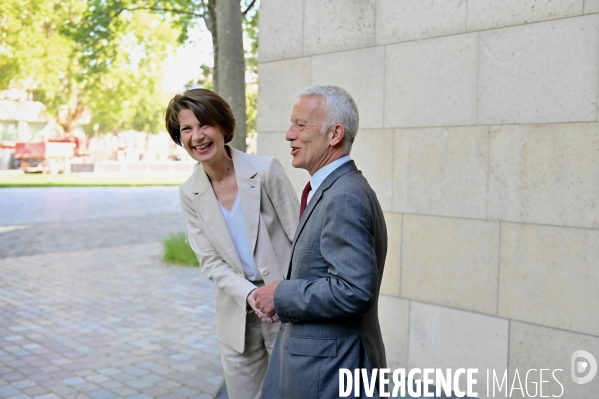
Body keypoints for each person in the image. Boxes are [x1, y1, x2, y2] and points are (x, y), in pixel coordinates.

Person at [254, 85, 388, 398]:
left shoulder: (344, 196)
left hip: (331, 373)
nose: (289, 134)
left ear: (334, 134)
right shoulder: (332, 189)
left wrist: (281, 295)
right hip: (318, 367)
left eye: (300, 125)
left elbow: (354, 290)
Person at [164, 89, 299, 399]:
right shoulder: (189, 193)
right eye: (186, 129)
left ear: (223, 127)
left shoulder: (265, 171)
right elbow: (209, 262)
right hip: (237, 314)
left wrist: (285, 292)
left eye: (204, 125)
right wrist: (251, 294)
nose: (197, 136)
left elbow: (299, 238)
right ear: (179, 137)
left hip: (285, 307)